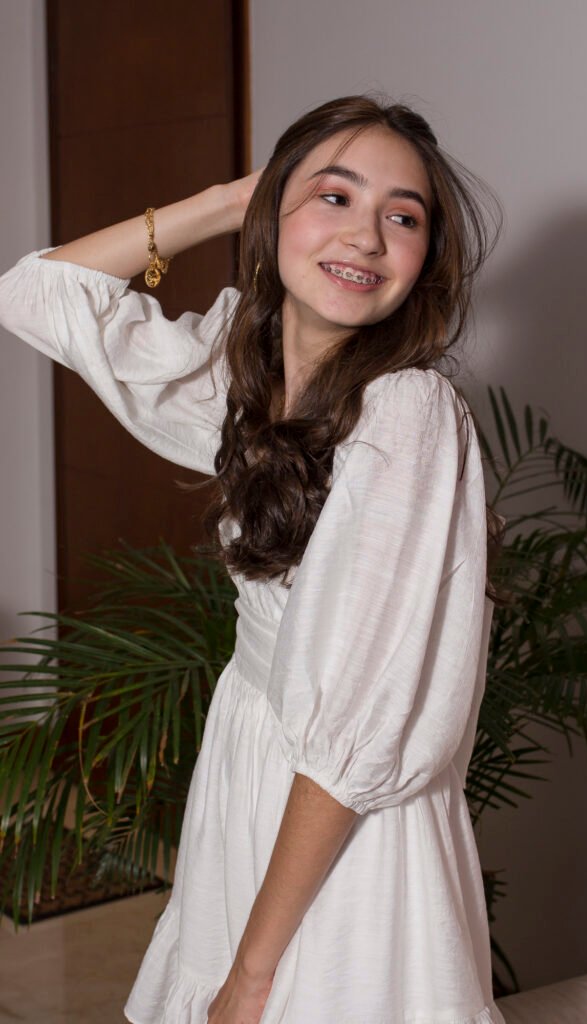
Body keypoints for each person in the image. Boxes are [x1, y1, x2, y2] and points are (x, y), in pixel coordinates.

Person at [0, 94, 507, 1024]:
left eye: (403, 217)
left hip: (337, 832)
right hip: (254, 773)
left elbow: (353, 737)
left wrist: (253, 972)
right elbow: (34, 294)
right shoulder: (244, 378)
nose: (366, 237)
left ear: (426, 259)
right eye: (334, 197)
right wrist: (227, 201)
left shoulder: (405, 414)